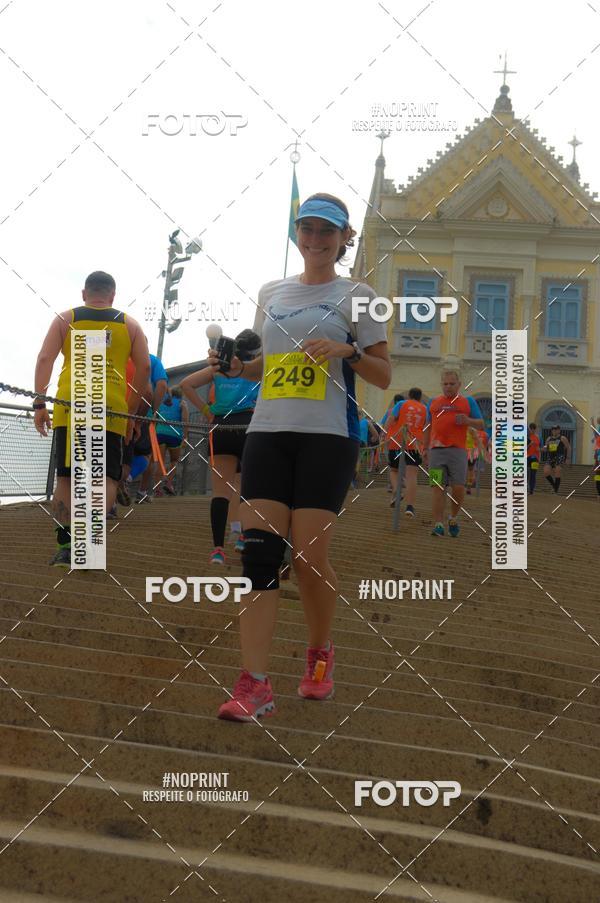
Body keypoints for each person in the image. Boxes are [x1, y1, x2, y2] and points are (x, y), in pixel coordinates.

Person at [214, 192, 390, 721]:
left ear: (343, 239)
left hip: (329, 437)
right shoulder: (273, 292)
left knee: (309, 558)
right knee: (260, 556)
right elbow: (266, 364)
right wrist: (233, 367)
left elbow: (384, 374)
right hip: (267, 431)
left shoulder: (361, 295)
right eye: (307, 229)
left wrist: (347, 352)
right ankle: (256, 684)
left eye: (326, 231)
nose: (315, 239)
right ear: (298, 234)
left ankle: (319, 654)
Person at [33, 271, 150, 566]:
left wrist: (39, 404)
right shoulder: (130, 324)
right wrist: (132, 415)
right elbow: (145, 369)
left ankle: (65, 547)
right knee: (104, 476)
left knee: (66, 477)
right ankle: (90, 547)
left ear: (85, 293)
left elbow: (45, 359)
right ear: (113, 296)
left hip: (70, 403)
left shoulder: (65, 318)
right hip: (110, 406)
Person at [181, 329, 261, 564]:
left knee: (220, 492)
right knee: (247, 486)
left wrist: (207, 411)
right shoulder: (256, 369)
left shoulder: (220, 367)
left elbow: (186, 384)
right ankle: (242, 537)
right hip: (249, 425)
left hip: (221, 427)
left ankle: (217, 550)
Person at [424, 370, 484, 538]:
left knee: (458, 487)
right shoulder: (433, 402)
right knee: (437, 487)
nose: (448, 387)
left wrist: (467, 421)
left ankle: (453, 517)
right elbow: (428, 426)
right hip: (436, 451)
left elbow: (481, 424)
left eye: (452, 384)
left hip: (458, 451)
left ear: (459, 385)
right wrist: (425, 448)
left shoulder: (468, 402)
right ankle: (438, 524)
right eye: (445, 384)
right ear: (441, 384)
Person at [385, 388, 427, 515]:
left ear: (409, 396)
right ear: (420, 397)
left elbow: (391, 419)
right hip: (415, 444)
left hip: (397, 442)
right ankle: (410, 507)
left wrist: (384, 432)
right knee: (412, 475)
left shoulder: (401, 404)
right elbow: (426, 426)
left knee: (394, 470)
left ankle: (397, 492)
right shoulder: (425, 408)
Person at [154, 386, 189, 496]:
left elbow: (155, 417)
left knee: (160, 463)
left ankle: (158, 490)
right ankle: (168, 483)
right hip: (175, 435)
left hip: (159, 433)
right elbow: (185, 420)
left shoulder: (161, 403)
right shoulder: (182, 403)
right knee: (174, 461)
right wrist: (185, 437)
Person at [542, 425, 571, 494]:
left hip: (559, 456)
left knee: (557, 471)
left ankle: (556, 490)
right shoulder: (549, 438)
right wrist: (543, 448)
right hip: (550, 457)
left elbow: (568, 447)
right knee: (546, 472)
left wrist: (568, 458)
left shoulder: (562, 438)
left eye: (556, 429)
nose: (554, 431)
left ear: (559, 430)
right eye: (553, 429)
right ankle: (554, 486)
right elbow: (545, 447)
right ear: (551, 430)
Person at [527, 422, 541, 495]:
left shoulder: (538, 437)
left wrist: (539, 458)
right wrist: (530, 444)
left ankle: (531, 490)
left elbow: (539, 448)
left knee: (533, 474)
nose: (532, 430)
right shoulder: (527, 437)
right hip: (527, 457)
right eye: (531, 428)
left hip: (535, 457)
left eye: (534, 429)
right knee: (526, 473)